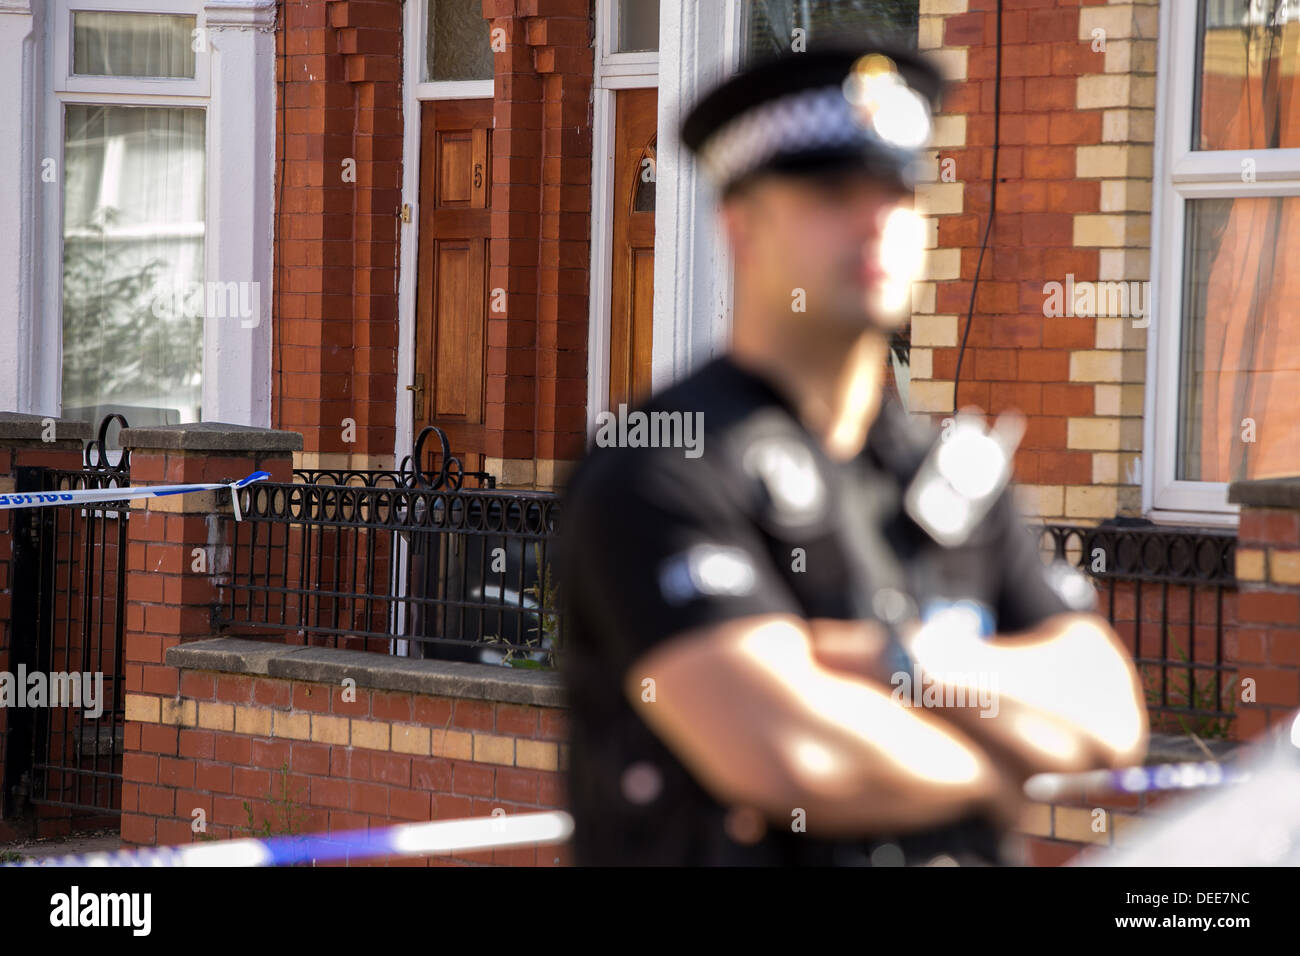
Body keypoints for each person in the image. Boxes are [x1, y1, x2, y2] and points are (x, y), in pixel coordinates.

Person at [558, 41, 1148, 866]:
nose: (876, 219)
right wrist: (997, 768)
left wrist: (904, 660)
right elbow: (790, 751)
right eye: (832, 191)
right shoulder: (662, 466)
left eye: (896, 192)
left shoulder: (946, 475)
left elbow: (1108, 712)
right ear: (742, 225)